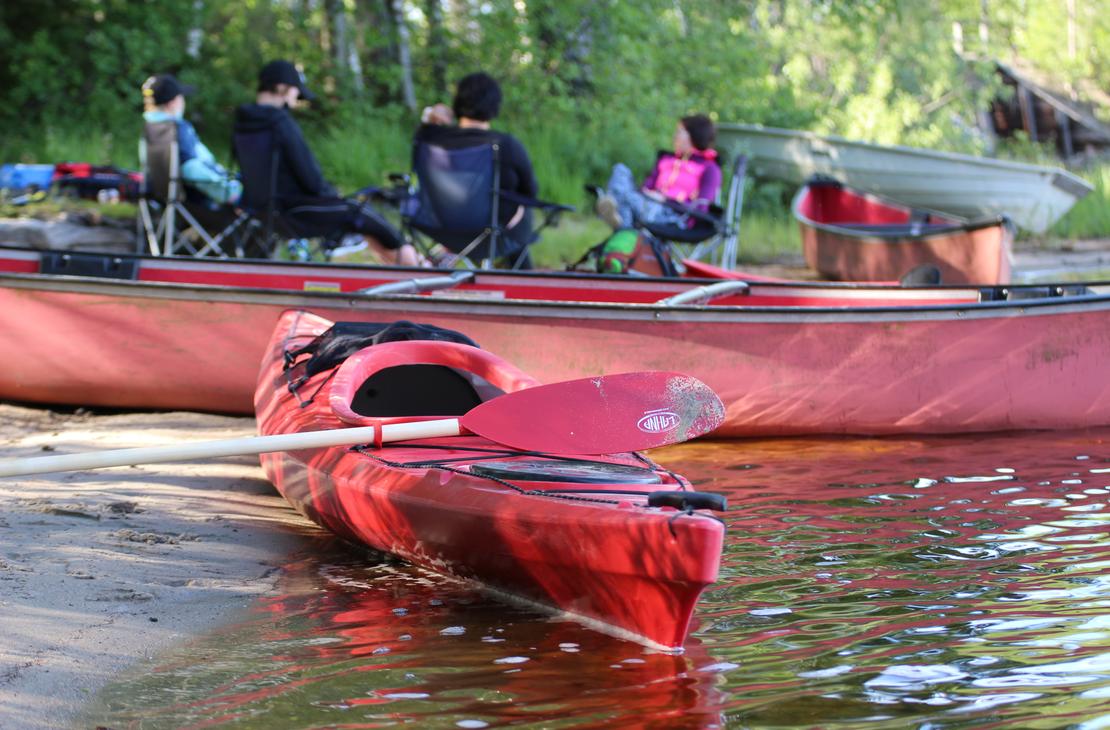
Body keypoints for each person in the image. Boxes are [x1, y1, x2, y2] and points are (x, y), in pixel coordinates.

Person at [233, 60, 421, 266]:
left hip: (263, 211)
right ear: (281, 88)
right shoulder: (280, 123)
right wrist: (332, 194)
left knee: (363, 220)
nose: (296, 100)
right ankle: (420, 270)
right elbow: (310, 178)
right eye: (296, 93)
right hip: (297, 211)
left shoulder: (242, 123)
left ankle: (408, 269)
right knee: (360, 211)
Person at [414, 72, 540, 268]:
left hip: (442, 229)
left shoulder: (431, 140)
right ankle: (522, 279)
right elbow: (531, 192)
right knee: (521, 209)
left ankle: (443, 256)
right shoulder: (506, 145)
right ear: (495, 107)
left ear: (457, 104)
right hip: (492, 235)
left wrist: (432, 114)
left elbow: (425, 127)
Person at [595, 115, 721, 230]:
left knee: (626, 198)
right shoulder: (666, 160)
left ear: (693, 135)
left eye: (680, 132)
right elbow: (646, 186)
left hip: (673, 214)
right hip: (647, 203)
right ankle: (619, 213)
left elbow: (701, 209)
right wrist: (647, 193)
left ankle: (620, 220)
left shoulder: (710, 169)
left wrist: (665, 200)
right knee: (620, 170)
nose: (675, 136)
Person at [141, 74, 242, 206]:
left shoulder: (150, 127)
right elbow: (191, 169)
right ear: (172, 103)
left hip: (161, 198)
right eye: (181, 97)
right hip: (196, 200)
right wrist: (229, 192)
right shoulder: (178, 130)